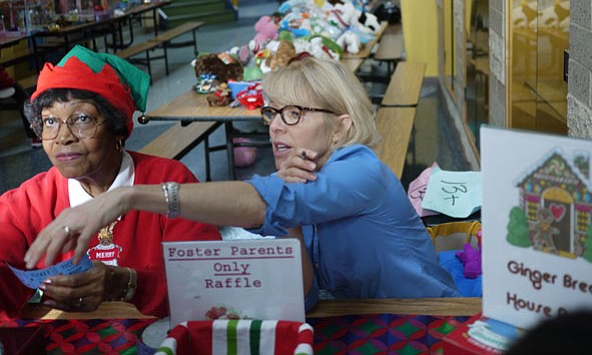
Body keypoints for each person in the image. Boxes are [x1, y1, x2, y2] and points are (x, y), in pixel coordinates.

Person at [25, 56, 459, 310]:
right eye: (272, 113)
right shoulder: (300, 183)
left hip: (428, 319)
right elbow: (304, 298)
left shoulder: (359, 169)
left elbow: (264, 202)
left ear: (341, 128)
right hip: (359, 319)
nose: (276, 129)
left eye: (295, 114)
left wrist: (129, 197)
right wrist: (288, 226)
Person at [0, 45, 221, 320]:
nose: (62, 137)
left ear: (117, 127)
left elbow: (207, 283)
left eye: (81, 119)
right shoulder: (28, 202)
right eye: (49, 122)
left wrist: (128, 283)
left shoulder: (170, 183)